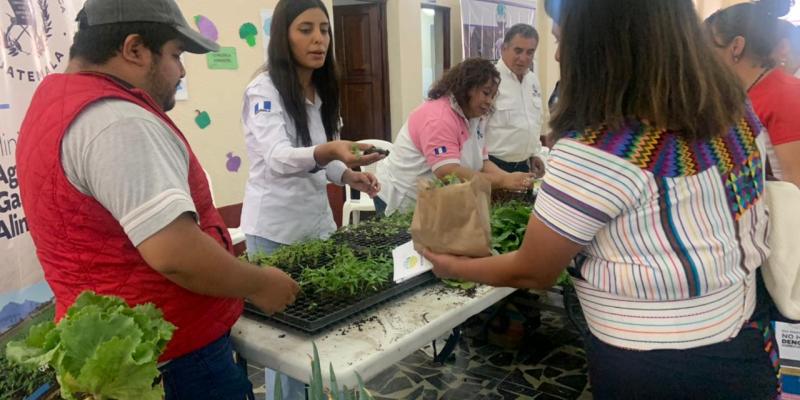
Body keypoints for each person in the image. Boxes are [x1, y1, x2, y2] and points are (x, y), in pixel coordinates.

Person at [425, 0, 777, 398]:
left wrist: (452, 265)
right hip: (744, 338)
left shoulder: (603, 147)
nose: (558, 55)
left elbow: (533, 270)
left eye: (563, 40)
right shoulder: (732, 108)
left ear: (602, 45)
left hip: (655, 366)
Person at [15, 0, 300, 399]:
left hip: (118, 351)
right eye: (175, 55)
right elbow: (175, 254)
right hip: (174, 361)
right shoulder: (119, 121)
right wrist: (259, 283)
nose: (181, 71)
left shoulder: (53, 106)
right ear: (134, 49)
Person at [241, 0, 383, 258]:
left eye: (324, 30)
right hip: (275, 233)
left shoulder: (325, 89)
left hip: (318, 226)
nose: (319, 39)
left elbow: (321, 159)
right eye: (306, 30)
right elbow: (277, 158)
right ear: (284, 37)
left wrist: (348, 176)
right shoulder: (263, 91)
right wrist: (330, 150)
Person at [373, 58, 534, 216]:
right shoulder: (439, 118)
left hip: (433, 198)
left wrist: (511, 178)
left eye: (492, 96)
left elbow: (483, 163)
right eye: (485, 93)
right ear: (467, 88)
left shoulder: (477, 117)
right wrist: (502, 182)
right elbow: (448, 173)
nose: (489, 102)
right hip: (402, 196)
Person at [706, 0, 800, 187]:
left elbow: (795, 180)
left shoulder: (786, 94)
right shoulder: (739, 92)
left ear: (736, 47)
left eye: (707, 48)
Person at [486, 24, 546, 176]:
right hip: (494, 166)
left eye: (530, 52)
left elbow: (534, 122)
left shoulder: (533, 81)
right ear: (503, 48)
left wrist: (535, 154)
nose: (523, 58)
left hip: (525, 167)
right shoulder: (489, 80)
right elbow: (474, 132)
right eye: (518, 51)